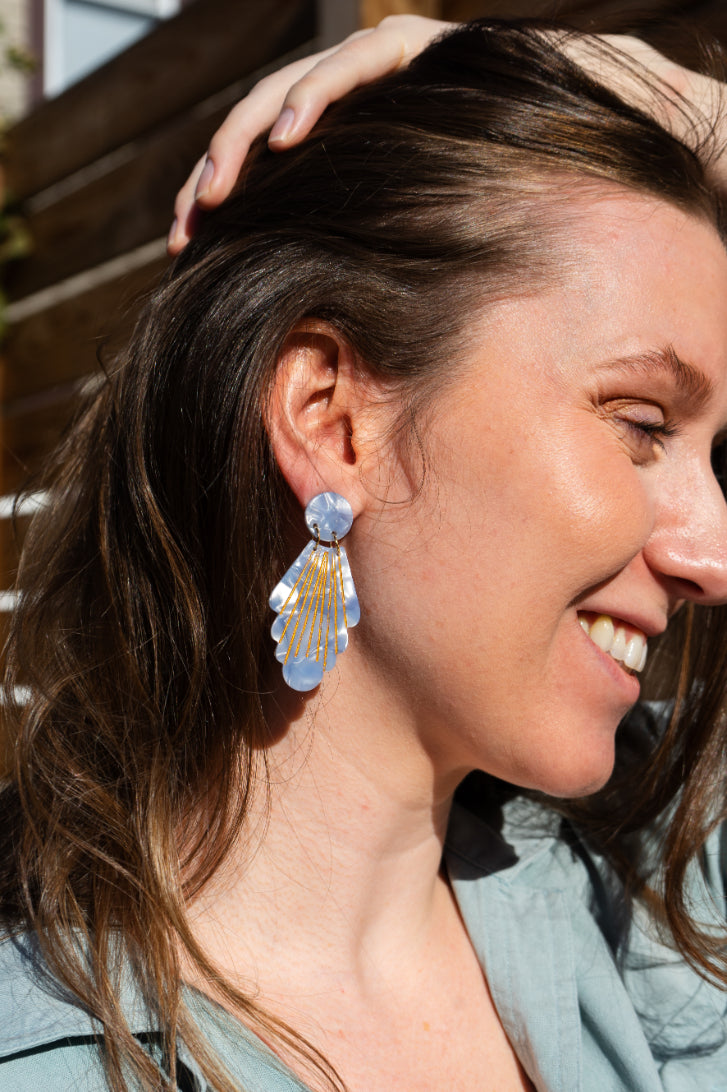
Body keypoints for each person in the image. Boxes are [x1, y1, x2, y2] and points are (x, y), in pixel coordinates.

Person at [1, 16, 727, 1092]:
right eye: (639, 423)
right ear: (332, 420)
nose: (712, 554)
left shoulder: (663, 870)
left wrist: (664, 101)